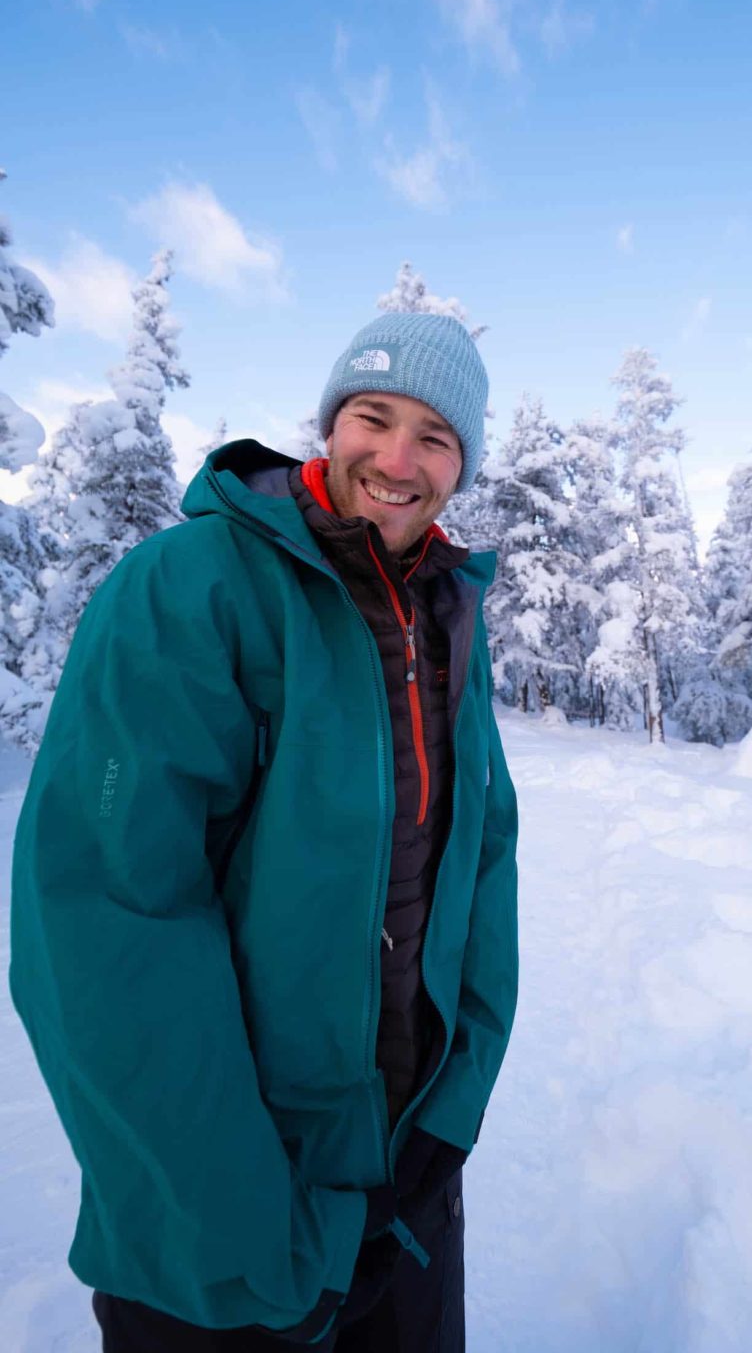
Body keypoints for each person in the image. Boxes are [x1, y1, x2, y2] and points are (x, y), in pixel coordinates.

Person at [10, 311, 519, 1352]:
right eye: (373, 418)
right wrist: (240, 1224)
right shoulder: (191, 587)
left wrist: (447, 1121)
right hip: (218, 1222)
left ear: (460, 465)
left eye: (434, 437)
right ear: (329, 426)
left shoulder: (444, 614)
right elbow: (108, 925)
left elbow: (483, 863)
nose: (397, 457)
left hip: (402, 1182)